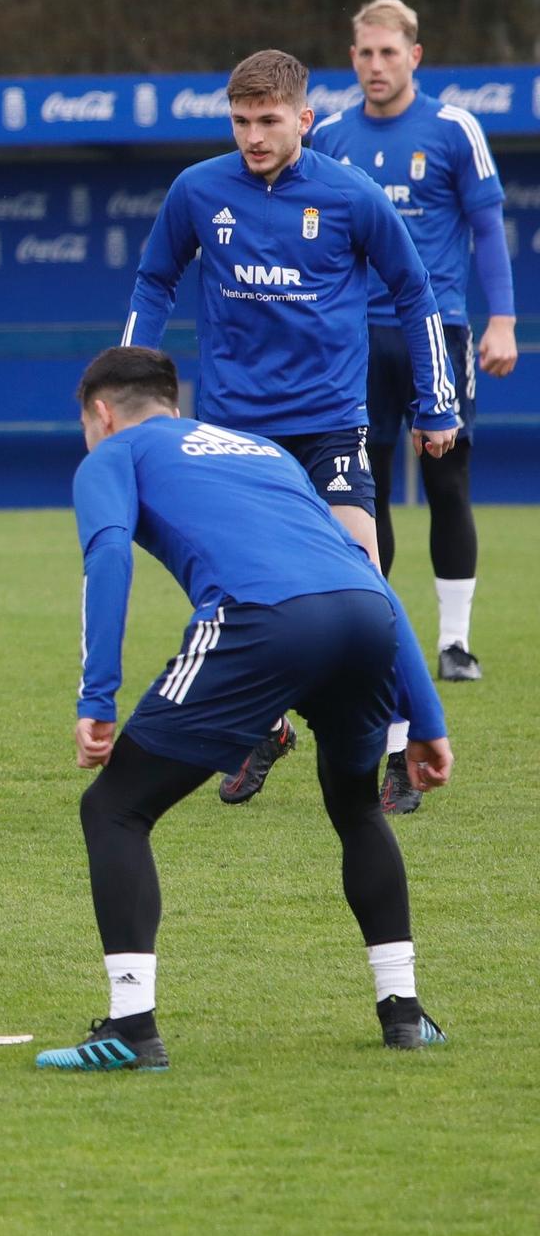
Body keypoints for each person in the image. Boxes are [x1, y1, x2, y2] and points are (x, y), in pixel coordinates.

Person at [37, 347, 452, 1072]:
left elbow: (108, 554)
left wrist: (96, 696)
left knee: (115, 809)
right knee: (357, 808)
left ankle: (132, 1030)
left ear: (102, 412)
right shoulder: (260, 449)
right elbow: (365, 570)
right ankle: (405, 1013)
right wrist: (427, 718)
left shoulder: (113, 454)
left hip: (263, 619)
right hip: (362, 616)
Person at [122, 48, 457, 809]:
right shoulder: (198, 190)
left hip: (331, 423)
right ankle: (263, 725)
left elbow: (414, 288)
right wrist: (134, 382)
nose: (253, 135)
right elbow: (155, 278)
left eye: (268, 120)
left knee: (362, 580)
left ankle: (402, 747)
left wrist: (436, 400)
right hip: (236, 432)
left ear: (304, 118)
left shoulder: (349, 194)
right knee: (241, 587)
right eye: (240, 120)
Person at [310, 0, 516, 814]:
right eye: (363, 52)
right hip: (355, 338)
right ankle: (377, 639)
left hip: (440, 331)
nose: (374, 64)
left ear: (415, 55)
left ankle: (455, 641)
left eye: (388, 51)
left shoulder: (455, 129)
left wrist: (502, 320)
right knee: (362, 490)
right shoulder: (326, 136)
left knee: (447, 479)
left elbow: (488, 229)